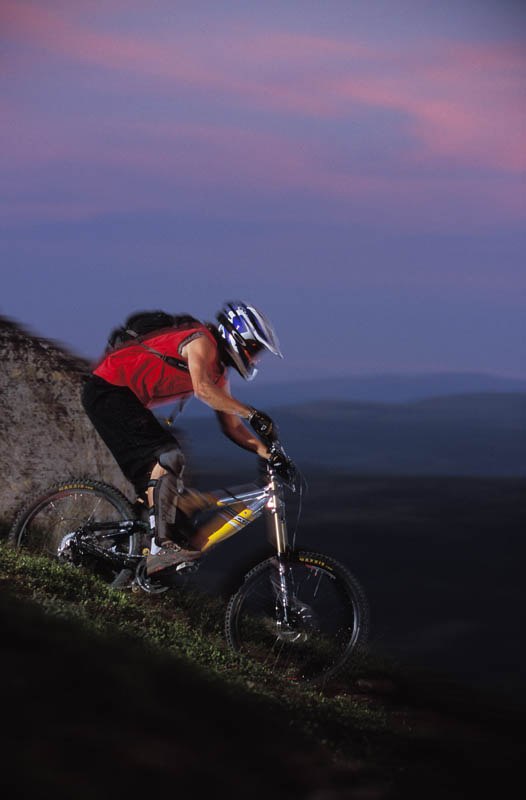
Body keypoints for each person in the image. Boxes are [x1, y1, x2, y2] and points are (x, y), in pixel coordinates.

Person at [81, 301, 286, 578]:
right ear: (237, 337)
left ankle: (130, 566)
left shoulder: (218, 371)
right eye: (255, 350)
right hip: (107, 390)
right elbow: (203, 391)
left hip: (124, 401)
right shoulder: (201, 341)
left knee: (176, 508)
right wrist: (252, 413)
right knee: (169, 454)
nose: (256, 359)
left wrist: (272, 454)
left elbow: (232, 428)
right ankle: (160, 547)